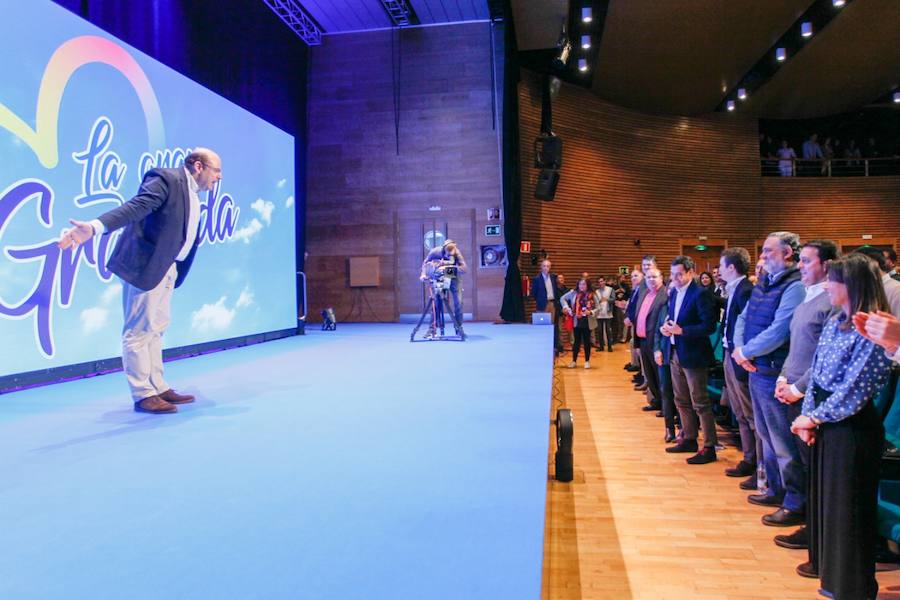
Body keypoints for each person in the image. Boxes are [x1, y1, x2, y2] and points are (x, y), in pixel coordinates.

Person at [57, 149, 223, 414]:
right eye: (217, 170)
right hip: (145, 265)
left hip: (167, 268)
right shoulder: (167, 179)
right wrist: (95, 227)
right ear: (199, 166)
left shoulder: (192, 193)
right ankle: (142, 393)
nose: (219, 176)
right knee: (138, 331)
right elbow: (136, 207)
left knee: (156, 328)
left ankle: (158, 385)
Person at [791, 254, 893, 598]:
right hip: (826, 421)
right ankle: (833, 580)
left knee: (848, 510)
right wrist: (806, 417)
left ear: (851, 284)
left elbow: (857, 387)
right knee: (829, 506)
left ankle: (854, 587)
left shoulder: (875, 326)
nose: (826, 286)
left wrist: (815, 417)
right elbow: (817, 372)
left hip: (852, 428)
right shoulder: (837, 319)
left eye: (832, 280)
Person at [733, 232, 806, 527]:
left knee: (783, 442)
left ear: (787, 252)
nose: (762, 257)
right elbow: (743, 318)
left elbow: (781, 330)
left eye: (767, 251)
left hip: (774, 370)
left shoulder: (795, 286)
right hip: (755, 368)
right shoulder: (765, 282)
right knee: (766, 436)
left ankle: (795, 502)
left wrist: (746, 351)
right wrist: (740, 351)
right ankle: (775, 489)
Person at [770, 240, 839, 551]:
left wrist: (797, 389)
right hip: (793, 390)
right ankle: (806, 520)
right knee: (800, 462)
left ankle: (815, 530)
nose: (801, 265)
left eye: (808, 261)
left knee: (814, 467)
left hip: (812, 398)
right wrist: (784, 377)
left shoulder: (832, 302)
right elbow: (795, 347)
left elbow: (825, 357)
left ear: (827, 264)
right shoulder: (807, 297)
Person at [661, 256, 718, 464]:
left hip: (694, 355)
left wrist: (682, 330)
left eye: (679, 274)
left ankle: (710, 446)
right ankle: (689, 438)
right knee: (681, 400)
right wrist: (667, 328)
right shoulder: (674, 293)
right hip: (676, 351)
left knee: (700, 402)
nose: (675, 278)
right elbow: (673, 319)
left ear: (690, 273)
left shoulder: (701, 294)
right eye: (672, 274)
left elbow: (709, 326)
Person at [718, 248, 756, 481]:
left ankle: (757, 464)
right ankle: (749, 457)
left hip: (739, 358)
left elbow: (748, 328)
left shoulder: (746, 291)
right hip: (729, 353)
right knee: (740, 411)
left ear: (731, 268)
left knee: (749, 413)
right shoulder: (734, 290)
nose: (719, 270)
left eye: (722, 266)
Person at [635, 267, 668, 415]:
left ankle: (666, 406)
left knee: (660, 375)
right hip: (642, 340)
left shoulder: (665, 295)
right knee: (650, 374)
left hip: (655, 342)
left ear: (661, 278)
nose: (651, 280)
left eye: (654, 277)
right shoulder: (644, 293)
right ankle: (656, 400)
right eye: (648, 278)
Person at [420, 239, 467, 338]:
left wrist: (448, 266)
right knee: (436, 302)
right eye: (447, 255)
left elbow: (464, 268)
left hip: (452, 274)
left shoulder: (456, 252)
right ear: (443, 250)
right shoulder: (435, 251)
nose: (449, 256)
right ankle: (432, 329)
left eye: (451, 255)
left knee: (458, 301)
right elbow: (425, 262)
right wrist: (423, 274)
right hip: (440, 275)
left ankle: (459, 328)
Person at [560, 279, 601, 369]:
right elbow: (562, 298)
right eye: (580, 284)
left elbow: (599, 308)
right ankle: (574, 361)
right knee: (576, 342)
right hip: (577, 320)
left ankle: (587, 361)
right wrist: (566, 307)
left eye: (584, 284)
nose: (582, 286)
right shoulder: (573, 293)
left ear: (587, 285)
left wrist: (590, 312)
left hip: (587, 321)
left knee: (587, 342)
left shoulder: (592, 294)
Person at [531, 259, 562, 354]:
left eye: (548, 266)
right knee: (541, 326)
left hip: (552, 304)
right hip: (542, 304)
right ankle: (541, 346)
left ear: (550, 267)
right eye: (544, 266)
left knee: (551, 325)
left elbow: (557, 290)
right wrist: (540, 300)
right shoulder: (536, 279)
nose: (546, 268)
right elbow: (534, 293)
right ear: (541, 267)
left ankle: (550, 346)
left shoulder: (553, 277)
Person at [595, 277, 614, 352]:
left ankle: (609, 346)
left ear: (605, 281)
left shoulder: (610, 289)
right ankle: (601, 347)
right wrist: (598, 301)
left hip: (608, 313)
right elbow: (595, 302)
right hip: (599, 313)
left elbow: (613, 299)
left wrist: (606, 299)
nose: (601, 283)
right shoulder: (596, 291)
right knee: (599, 331)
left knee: (608, 330)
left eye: (602, 281)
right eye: (599, 282)